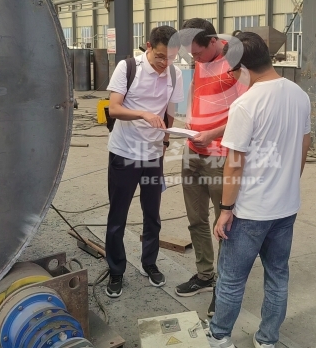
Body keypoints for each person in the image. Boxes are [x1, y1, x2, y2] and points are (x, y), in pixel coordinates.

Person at [205, 32, 312, 348]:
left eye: (232, 70)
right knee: (277, 276)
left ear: (243, 67)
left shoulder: (246, 103)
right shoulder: (299, 95)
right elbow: (304, 145)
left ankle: (220, 337)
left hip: (250, 211)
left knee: (231, 279)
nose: (232, 76)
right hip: (286, 207)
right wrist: (288, 182)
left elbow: (234, 164)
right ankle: (267, 340)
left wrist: (226, 210)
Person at [104, 25, 184, 298]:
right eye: (160, 56)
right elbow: (114, 109)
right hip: (124, 152)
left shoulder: (174, 73)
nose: (165, 63)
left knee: (152, 214)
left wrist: (165, 143)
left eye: (171, 57)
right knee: (118, 216)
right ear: (149, 46)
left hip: (152, 155)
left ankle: (149, 262)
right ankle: (116, 270)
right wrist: (143, 114)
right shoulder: (128, 68)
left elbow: (170, 112)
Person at [174, 19, 246, 317]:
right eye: (191, 54)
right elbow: (198, 93)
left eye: (198, 53)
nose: (195, 59)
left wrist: (211, 134)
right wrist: (191, 125)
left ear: (213, 41)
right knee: (196, 219)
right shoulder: (201, 60)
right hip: (193, 150)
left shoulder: (236, 62)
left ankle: (224, 288)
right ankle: (205, 275)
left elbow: (246, 116)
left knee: (224, 225)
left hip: (221, 156)